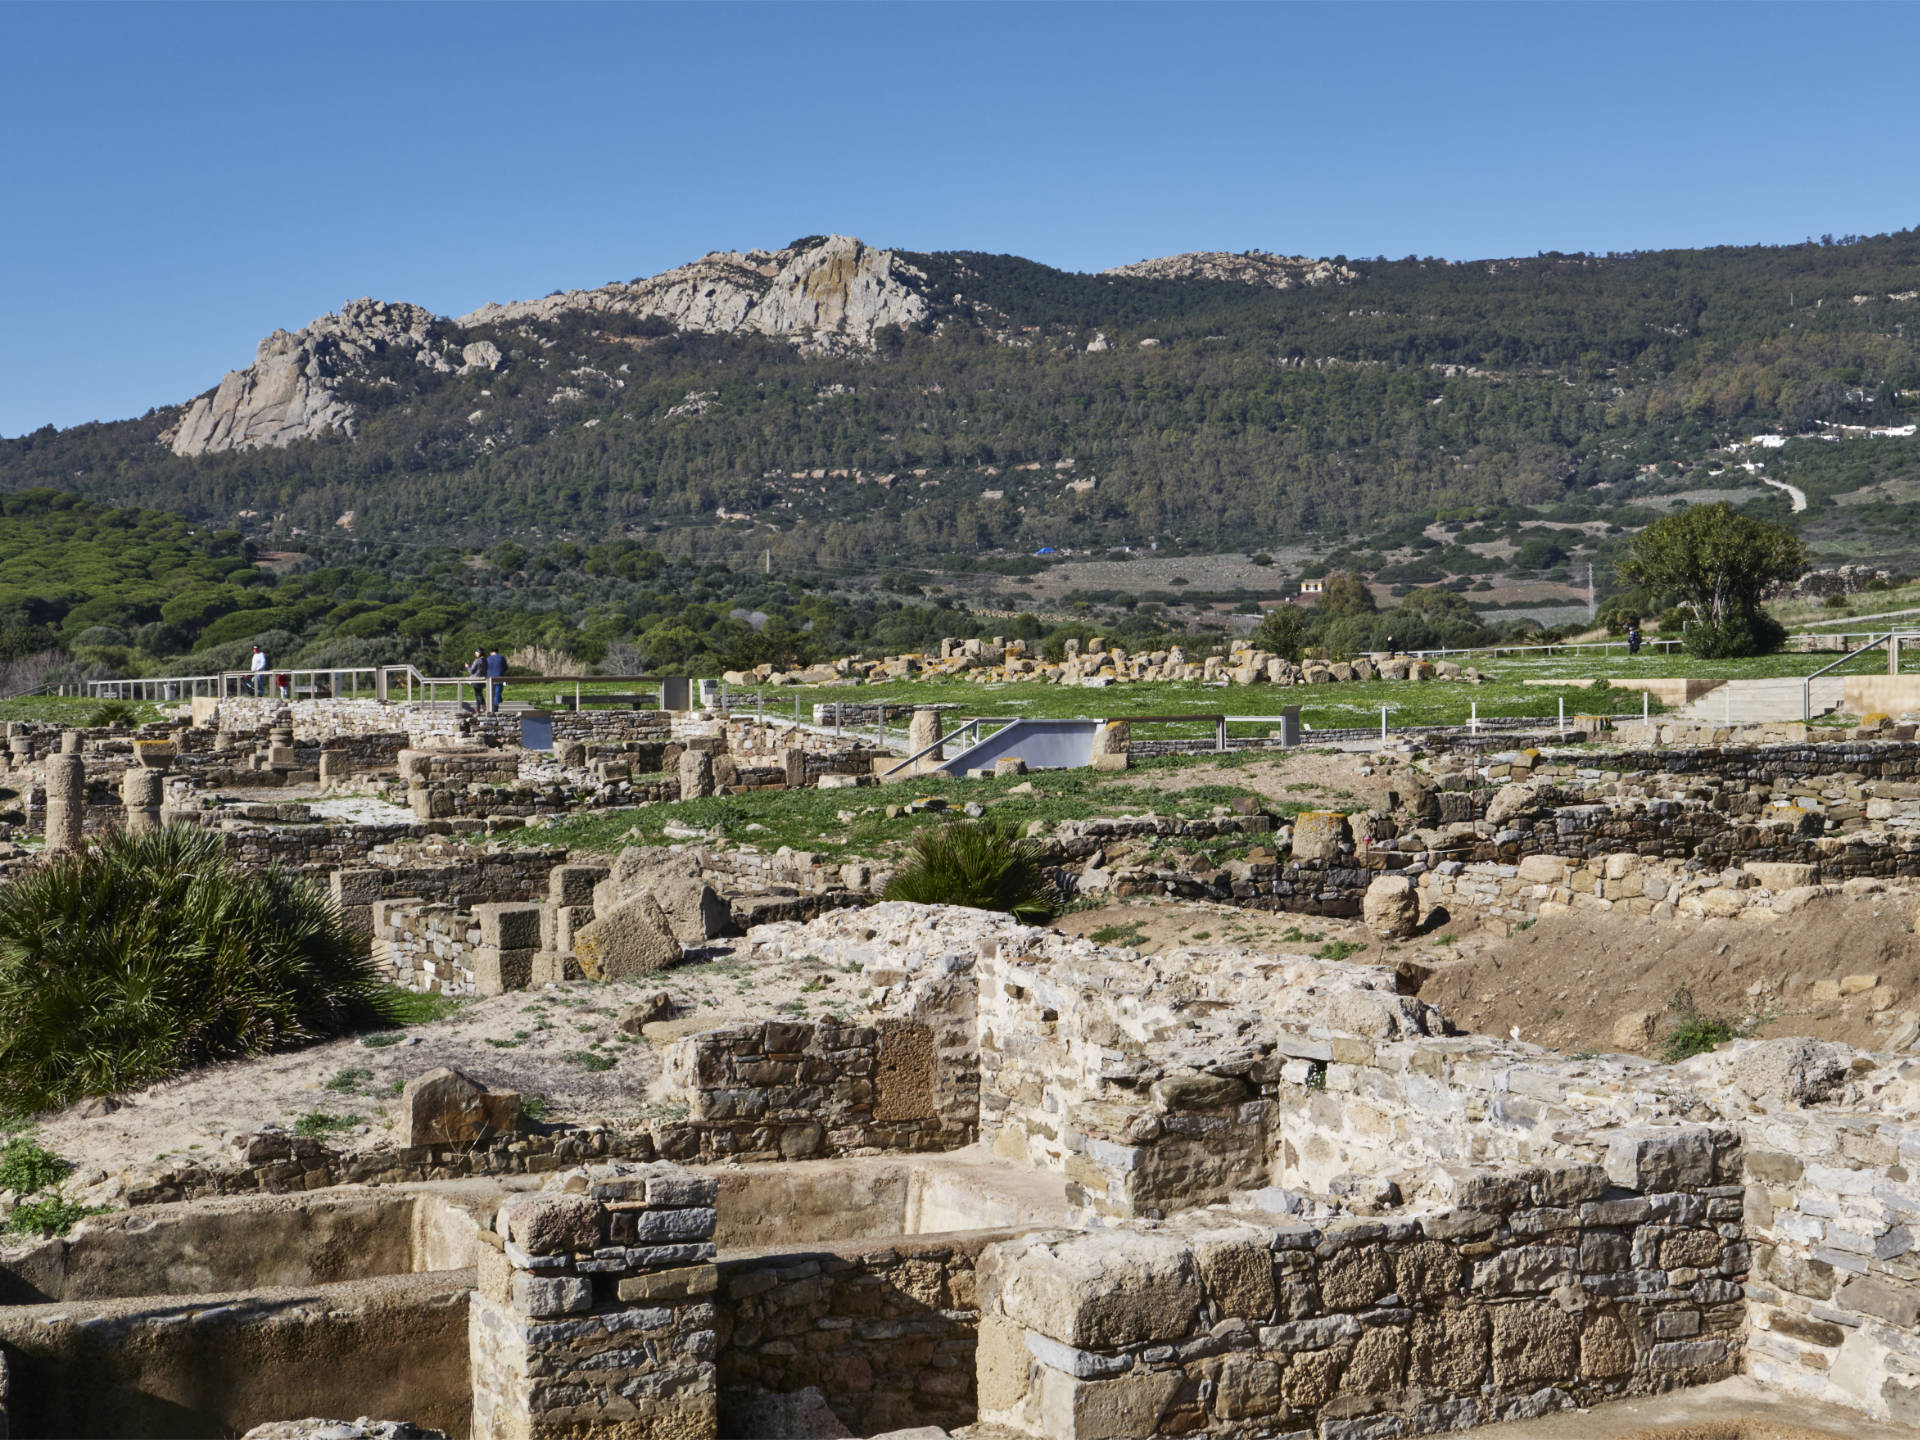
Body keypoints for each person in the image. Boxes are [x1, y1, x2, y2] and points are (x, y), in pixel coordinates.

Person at [485, 646, 506, 712]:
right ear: (497, 651)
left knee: (492, 694)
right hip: (499, 678)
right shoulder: (501, 658)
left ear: (490, 652)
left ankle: (493, 706)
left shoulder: (488, 658)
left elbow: (485, 668)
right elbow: (506, 667)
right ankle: (495, 709)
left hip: (489, 679)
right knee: (497, 694)